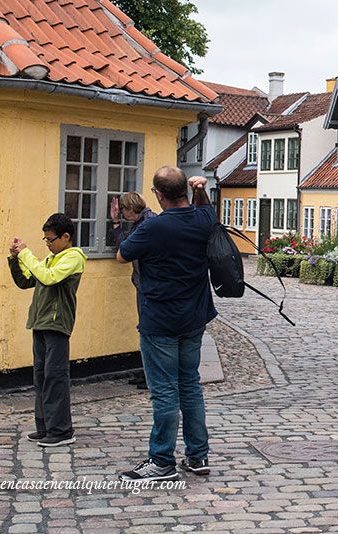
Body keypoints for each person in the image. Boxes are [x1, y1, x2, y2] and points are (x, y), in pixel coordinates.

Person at [116, 167, 217, 482]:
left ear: (158, 195)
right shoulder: (203, 221)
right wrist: (199, 190)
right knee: (190, 385)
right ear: (185, 190)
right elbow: (205, 210)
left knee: (164, 391)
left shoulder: (153, 228)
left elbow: (122, 255)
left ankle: (161, 461)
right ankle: (197, 456)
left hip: (160, 321)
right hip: (194, 318)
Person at [8, 213, 87, 447]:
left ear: (66, 237)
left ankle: (62, 431)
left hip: (57, 325)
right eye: (45, 240)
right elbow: (26, 281)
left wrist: (26, 253)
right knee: (41, 377)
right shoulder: (52, 258)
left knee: (56, 378)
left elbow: (48, 278)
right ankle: (45, 427)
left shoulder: (73, 257)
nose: (48, 244)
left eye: (50, 240)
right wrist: (15, 259)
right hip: (41, 323)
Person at [110, 192, 156, 389]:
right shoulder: (141, 223)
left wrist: (116, 224)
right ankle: (148, 371)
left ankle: (152, 375)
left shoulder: (148, 224)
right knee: (145, 329)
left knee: (150, 330)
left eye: (122, 210)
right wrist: (115, 223)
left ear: (130, 209)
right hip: (143, 284)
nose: (121, 212)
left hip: (150, 286)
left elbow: (125, 250)